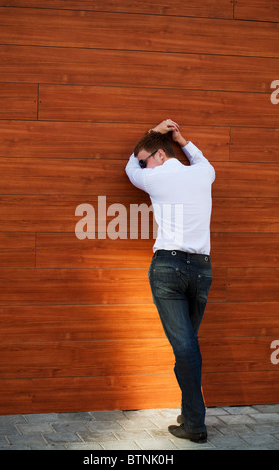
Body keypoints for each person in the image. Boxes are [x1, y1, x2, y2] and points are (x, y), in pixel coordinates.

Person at [125, 119, 215, 443]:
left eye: (145, 159)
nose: (141, 165)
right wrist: (181, 139)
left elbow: (130, 171)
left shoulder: (156, 176)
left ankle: (195, 423)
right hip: (202, 270)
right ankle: (190, 414)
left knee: (186, 347)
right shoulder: (202, 173)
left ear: (160, 157)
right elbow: (204, 162)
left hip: (168, 268)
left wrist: (153, 129)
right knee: (188, 347)